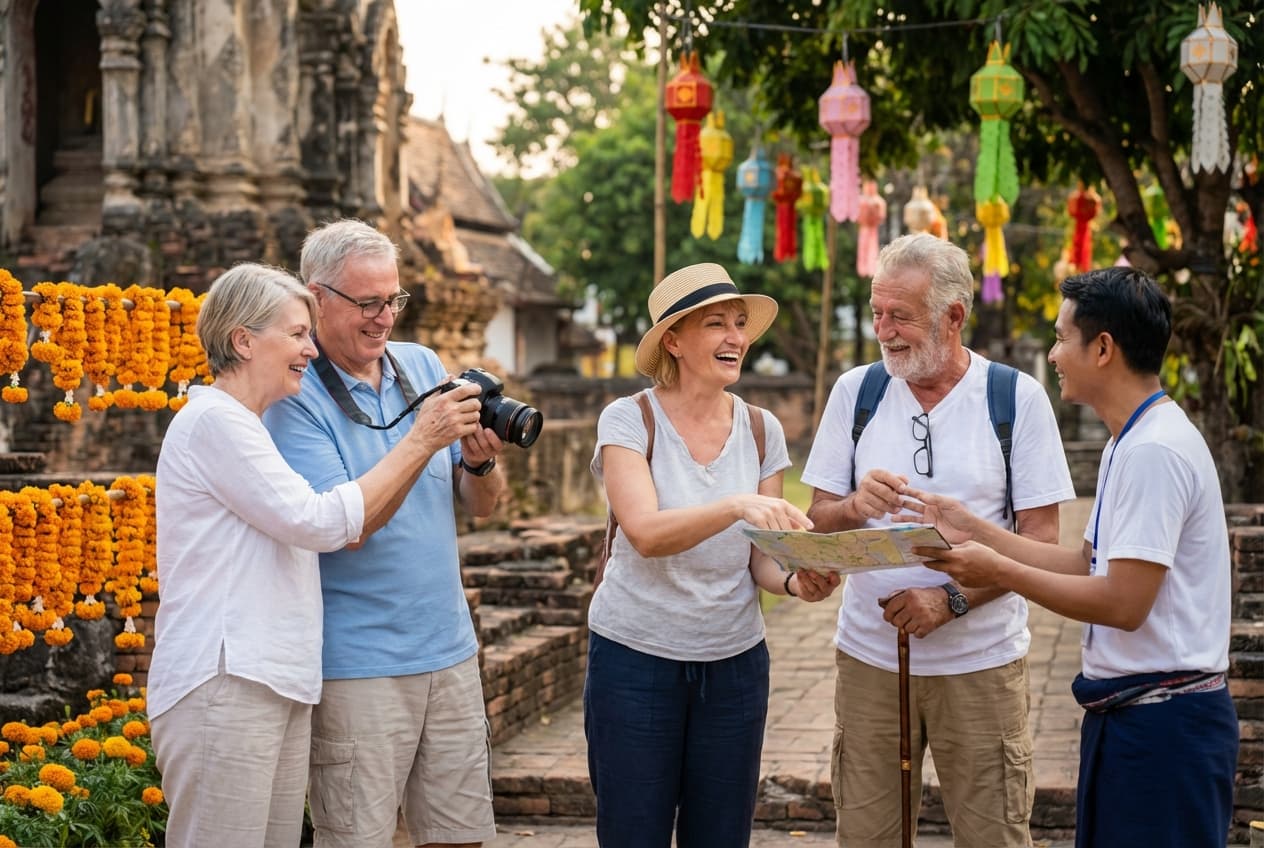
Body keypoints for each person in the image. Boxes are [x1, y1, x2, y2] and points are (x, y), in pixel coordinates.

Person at [907, 266, 1238, 848]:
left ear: (1103, 348)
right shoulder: (1127, 440)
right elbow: (1089, 563)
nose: (1055, 355)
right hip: (1132, 716)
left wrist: (995, 570)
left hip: (1166, 724)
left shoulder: (1154, 451)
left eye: (1062, 338)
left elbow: (1123, 602)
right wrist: (974, 530)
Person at [150, 263, 455, 847]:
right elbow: (318, 522)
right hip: (227, 676)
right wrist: (419, 439)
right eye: (295, 334)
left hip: (273, 676)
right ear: (243, 340)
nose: (311, 351)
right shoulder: (215, 422)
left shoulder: (250, 425)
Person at [800, 233, 1076, 846]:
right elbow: (816, 519)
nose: (885, 330)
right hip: (870, 659)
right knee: (867, 834)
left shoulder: (1015, 400)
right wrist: (853, 506)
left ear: (954, 317)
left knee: (992, 835)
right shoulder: (857, 393)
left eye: (902, 315)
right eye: (877, 312)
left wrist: (948, 601)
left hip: (980, 664)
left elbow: (1042, 545)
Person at [263, 220, 504, 848]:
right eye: (366, 303)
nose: (382, 319)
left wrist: (479, 460)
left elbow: (481, 506)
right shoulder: (295, 394)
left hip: (449, 648)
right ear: (316, 300)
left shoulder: (421, 363)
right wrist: (424, 437)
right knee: (359, 840)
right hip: (358, 664)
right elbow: (348, 529)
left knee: (460, 836)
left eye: (392, 300)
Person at [584, 262, 839, 848]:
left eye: (740, 324)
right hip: (635, 660)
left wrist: (799, 583)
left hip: (734, 664)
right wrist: (735, 506)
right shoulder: (629, 419)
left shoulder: (760, 428)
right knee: (633, 832)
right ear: (673, 340)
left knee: (722, 835)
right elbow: (645, 532)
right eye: (716, 324)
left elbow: (762, 559)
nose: (736, 338)